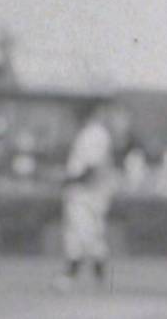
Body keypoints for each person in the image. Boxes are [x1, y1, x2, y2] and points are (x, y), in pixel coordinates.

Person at [58, 104, 123, 292]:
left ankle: (71, 276)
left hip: (87, 192)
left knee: (83, 234)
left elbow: (91, 166)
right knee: (86, 235)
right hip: (87, 190)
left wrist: (69, 179)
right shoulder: (92, 132)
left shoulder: (94, 133)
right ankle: (98, 279)